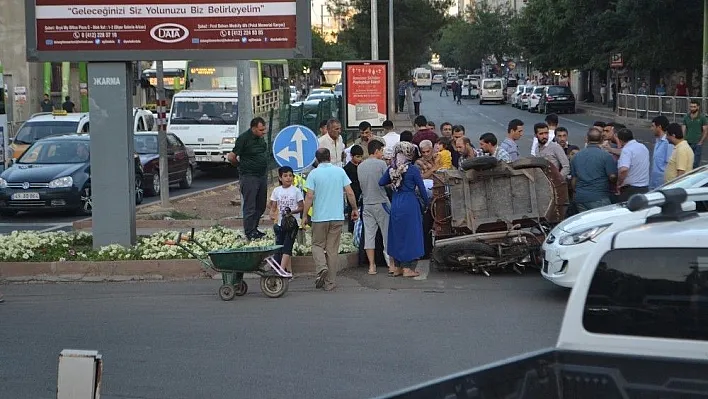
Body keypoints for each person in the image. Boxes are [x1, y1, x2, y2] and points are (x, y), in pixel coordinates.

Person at [303, 148, 359, 291]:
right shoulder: (340, 171)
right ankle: (330, 283)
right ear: (330, 157)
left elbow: (309, 196)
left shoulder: (313, 174)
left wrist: (304, 215)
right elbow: (350, 192)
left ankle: (322, 268)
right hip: (337, 216)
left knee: (317, 245)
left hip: (319, 217)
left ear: (317, 159)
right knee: (332, 250)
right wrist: (354, 209)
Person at [379, 141, 429, 278]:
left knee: (397, 235)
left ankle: (397, 268)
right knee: (410, 235)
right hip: (410, 203)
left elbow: (381, 182)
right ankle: (408, 269)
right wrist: (427, 203)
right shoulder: (412, 169)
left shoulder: (392, 169)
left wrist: (393, 183)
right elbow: (423, 190)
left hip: (396, 203)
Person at [227, 117, 269, 240]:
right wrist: (240, 166)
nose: (263, 132)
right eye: (261, 130)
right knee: (250, 205)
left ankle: (255, 228)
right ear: (254, 128)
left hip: (261, 175)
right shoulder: (244, 139)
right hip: (249, 176)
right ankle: (249, 231)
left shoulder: (261, 139)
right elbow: (231, 157)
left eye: (264, 129)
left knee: (260, 204)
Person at [358, 140, 394, 275]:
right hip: (381, 202)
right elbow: (388, 182)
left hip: (367, 204)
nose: (382, 154)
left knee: (369, 235)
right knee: (387, 235)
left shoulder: (360, 166)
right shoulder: (381, 164)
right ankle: (391, 264)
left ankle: (371, 266)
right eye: (382, 151)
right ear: (377, 151)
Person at [570, 128, 618, 212]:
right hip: (599, 197)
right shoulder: (606, 156)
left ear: (587, 139)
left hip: (580, 198)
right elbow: (612, 176)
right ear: (601, 140)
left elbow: (574, 180)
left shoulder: (576, 156)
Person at [269, 166, 304, 273]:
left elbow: (301, 206)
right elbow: (273, 206)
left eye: (290, 176)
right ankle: (288, 271)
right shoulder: (276, 191)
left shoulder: (296, 191)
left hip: (292, 223)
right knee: (280, 246)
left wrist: (291, 212)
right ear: (280, 178)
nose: (288, 178)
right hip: (280, 224)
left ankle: (280, 271)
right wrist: (272, 213)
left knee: (287, 247)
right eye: (285, 176)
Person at [616, 128, 650, 202]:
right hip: (644, 187)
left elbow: (624, 170)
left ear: (620, 140)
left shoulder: (627, 150)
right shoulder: (643, 147)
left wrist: (619, 183)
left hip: (630, 190)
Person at [681, 99, 707, 169]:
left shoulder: (702, 118)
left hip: (697, 144)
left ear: (698, 107)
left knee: (695, 164)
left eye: (694, 107)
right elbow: (683, 128)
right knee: (686, 162)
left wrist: (700, 142)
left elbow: (705, 130)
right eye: (691, 107)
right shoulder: (686, 117)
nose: (692, 108)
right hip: (687, 143)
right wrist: (683, 140)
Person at [649, 116, 673, 190]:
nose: (651, 129)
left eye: (653, 126)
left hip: (662, 184)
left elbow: (669, 164)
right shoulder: (658, 141)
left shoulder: (667, 143)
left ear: (659, 127)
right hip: (653, 181)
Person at [344, 145, 363, 232]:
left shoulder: (361, 166)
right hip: (352, 193)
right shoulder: (347, 168)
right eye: (357, 156)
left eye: (360, 157)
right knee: (352, 214)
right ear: (352, 156)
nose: (359, 159)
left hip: (361, 193)